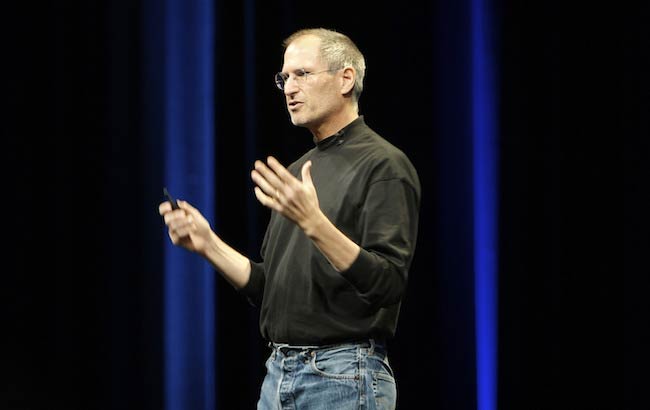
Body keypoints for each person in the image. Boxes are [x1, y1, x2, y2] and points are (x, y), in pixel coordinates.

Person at [159, 27, 421, 410]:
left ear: (345, 78)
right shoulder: (299, 172)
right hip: (279, 374)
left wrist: (315, 224)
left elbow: (387, 282)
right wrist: (208, 244)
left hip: (343, 375)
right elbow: (271, 290)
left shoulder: (383, 165)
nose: (290, 88)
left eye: (303, 74)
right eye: (284, 78)